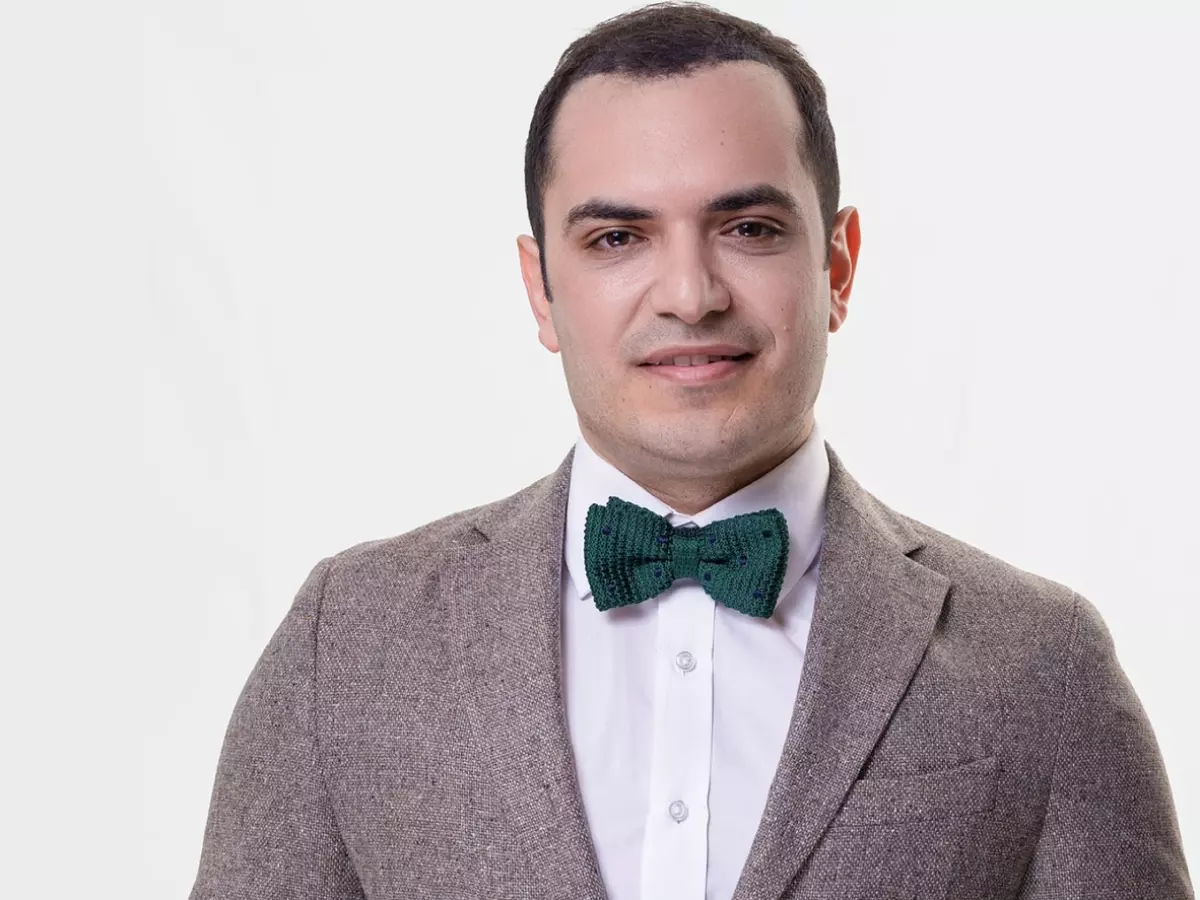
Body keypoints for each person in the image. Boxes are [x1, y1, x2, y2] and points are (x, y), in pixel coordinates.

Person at [188, 3, 1193, 898]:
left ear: (838, 265)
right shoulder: (352, 643)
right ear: (541, 288)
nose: (689, 293)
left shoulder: (1039, 661)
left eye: (748, 227)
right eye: (617, 239)